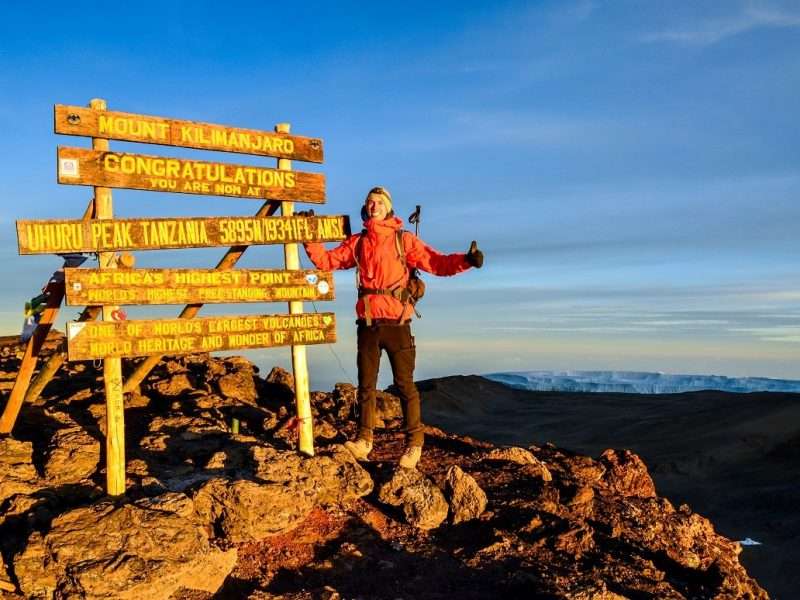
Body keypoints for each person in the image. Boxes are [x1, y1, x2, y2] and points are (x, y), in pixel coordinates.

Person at [302, 186, 483, 469]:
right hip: (368, 324)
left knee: (405, 386)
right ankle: (363, 441)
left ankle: (414, 444)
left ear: (388, 207)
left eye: (378, 202)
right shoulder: (359, 242)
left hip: (397, 324)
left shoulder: (403, 240)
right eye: (369, 202)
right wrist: (310, 238)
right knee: (366, 386)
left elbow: (436, 262)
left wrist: (466, 261)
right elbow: (328, 261)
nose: (373, 206)